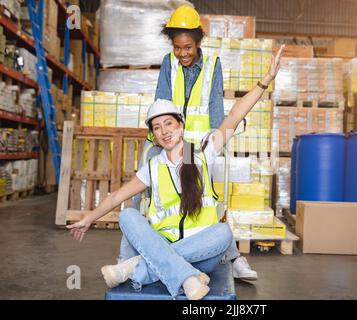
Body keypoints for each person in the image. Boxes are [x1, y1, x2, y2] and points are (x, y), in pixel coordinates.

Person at [67, 45, 285, 300]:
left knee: (223, 233)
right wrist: (89, 218)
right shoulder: (153, 167)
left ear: (180, 125)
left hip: (201, 253)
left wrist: (266, 80)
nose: (164, 131)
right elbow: (116, 197)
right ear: (155, 136)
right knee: (128, 217)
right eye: (157, 128)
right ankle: (186, 278)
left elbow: (235, 115)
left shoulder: (202, 151)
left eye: (169, 123)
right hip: (165, 246)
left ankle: (136, 268)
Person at [128, 4, 258, 281]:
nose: (183, 53)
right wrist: (156, 138)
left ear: (198, 42)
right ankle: (128, 257)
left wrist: (216, 138)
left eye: (188, 47)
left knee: (204, 201)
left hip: (195, 147)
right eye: (177, 47)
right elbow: (160, 100)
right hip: (169, 142)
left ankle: (230, 256)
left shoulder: (212, 65)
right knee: (143, 193)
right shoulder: (168, 63)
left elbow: (214, 106)